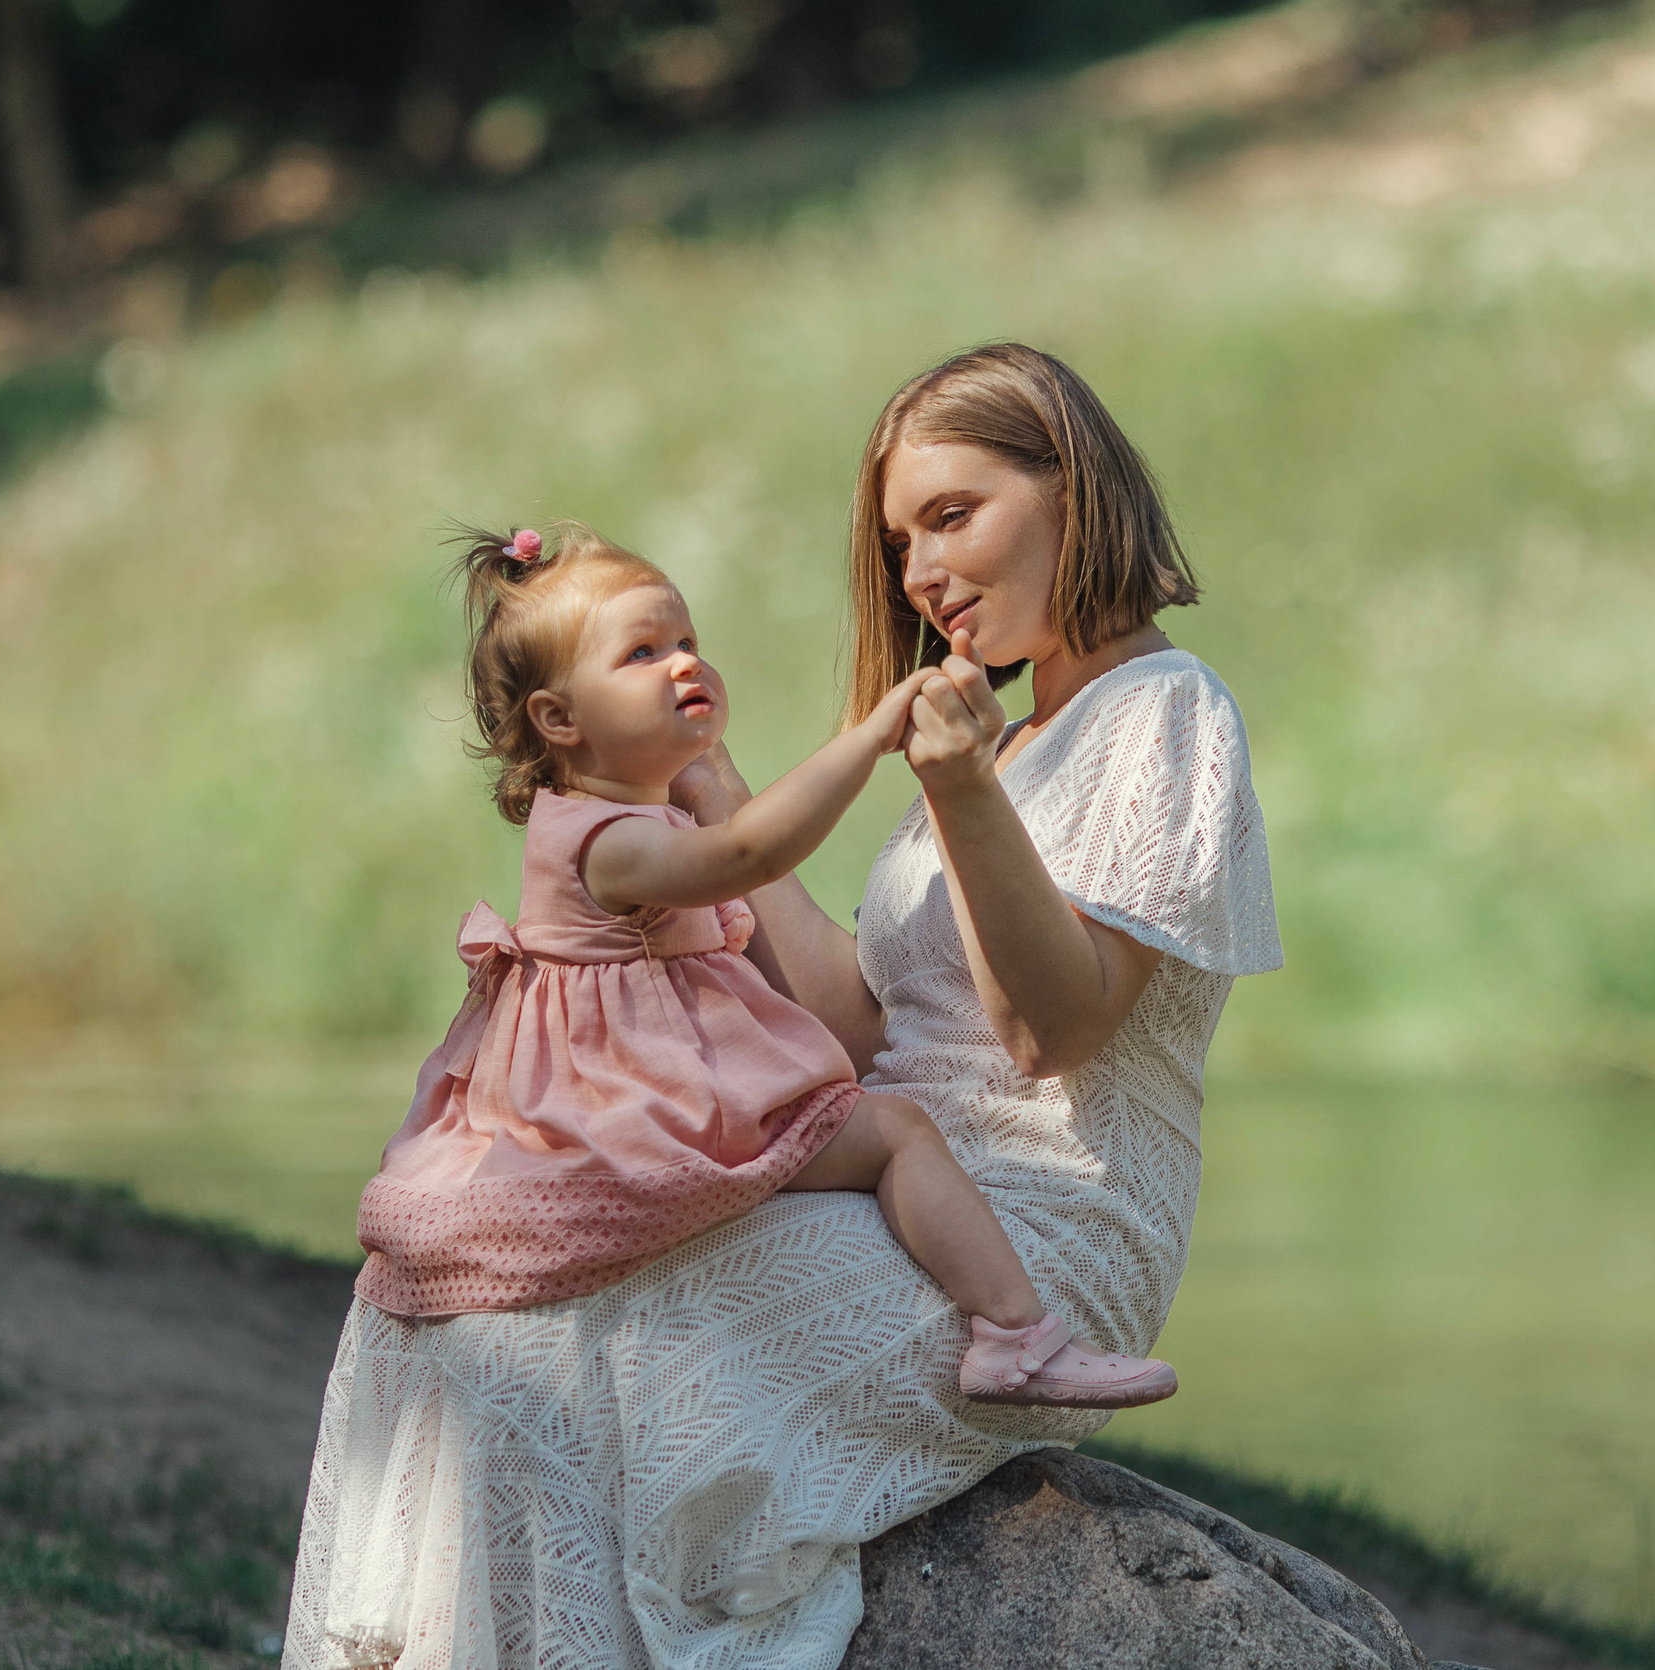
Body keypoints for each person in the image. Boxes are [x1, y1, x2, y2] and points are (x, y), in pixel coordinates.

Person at [287, 342, 1281, 1669]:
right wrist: (712, 792)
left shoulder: (1163, 711)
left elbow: (1054, 1032)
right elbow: (866, 1033)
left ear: (1072, 489)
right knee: (455, 1275)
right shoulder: (1009, 733)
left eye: (952, 515)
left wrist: (965, 794)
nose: (922, 573)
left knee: (613, 1341)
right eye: (899, 542)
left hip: (1043, 1221)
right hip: (885, 1164)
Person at [353, 520, 1176, 1413]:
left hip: (654, 1087)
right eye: (640, 653)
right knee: (896, 1132)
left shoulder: (635, 819)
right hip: (634, 1105)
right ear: (560, 720)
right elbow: (747, 854)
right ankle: (1016, 1337)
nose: (683, 664)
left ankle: (1011, 1332)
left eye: (687, 642)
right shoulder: (602, 842)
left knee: (879, 1132)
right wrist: (871, 739)